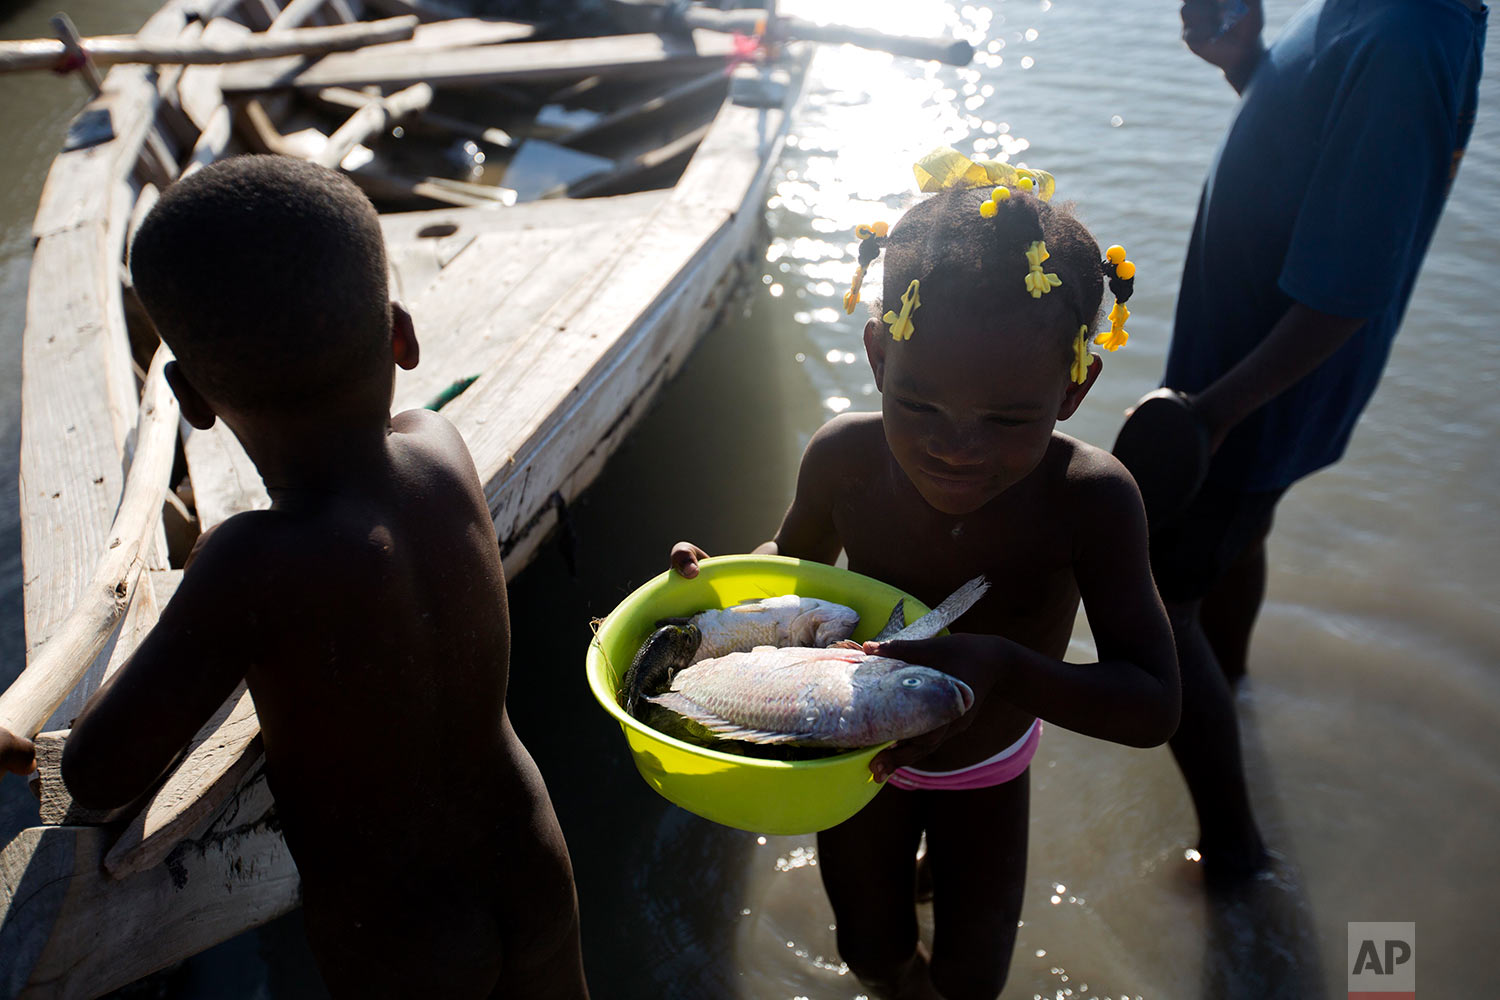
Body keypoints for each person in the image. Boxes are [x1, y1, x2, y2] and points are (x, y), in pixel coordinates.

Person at [57, 156, 589, 999]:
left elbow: (97, 771)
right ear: (402, 336)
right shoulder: (441, 449)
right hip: (534, 863)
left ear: (193, 399)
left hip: (397, 936)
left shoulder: (250, 564)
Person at [671, 151, 1180, 1000]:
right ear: (878, 358)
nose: (957, 445)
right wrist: (720, 581)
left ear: (1075, 387)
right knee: (872, 951)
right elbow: (788, 563)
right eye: (919, 406)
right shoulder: (844, 459)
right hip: (852, 759)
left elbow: (1154, 703)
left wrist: (1008, 669)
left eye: (1006, 418)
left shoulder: (1091, 499)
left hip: (987, 767)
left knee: (971, 981)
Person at [1140, 0, 1486, 885]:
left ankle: (1233, 855)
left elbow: (1346, 292)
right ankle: (1238, 690)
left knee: (1156, 595)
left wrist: (1212, 416)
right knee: (1233, 543)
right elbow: (1328, 160)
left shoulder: (1405, 38)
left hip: (1257, 387)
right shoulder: (1374, 15)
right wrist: (1246, 64)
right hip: (1247, 374)